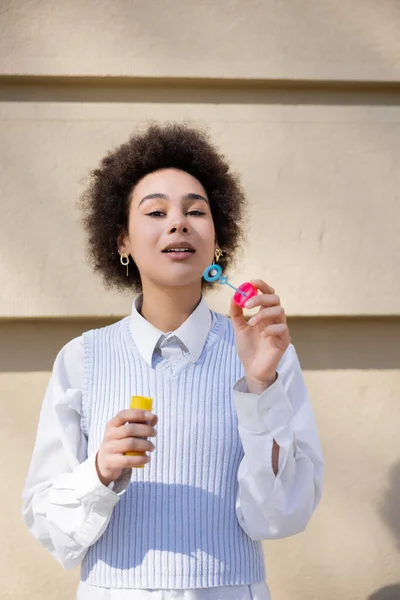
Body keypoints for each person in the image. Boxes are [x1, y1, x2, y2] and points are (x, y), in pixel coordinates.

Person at [22, 123, 324, 600]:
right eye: (156, 211)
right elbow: (48, 525)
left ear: (217, 243)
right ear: (121, 241)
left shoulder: (266, 354)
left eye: (195, 211)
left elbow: (283, 515)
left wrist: (260, 385)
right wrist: (99, 471)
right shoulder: (82, 359)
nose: (178, 223)